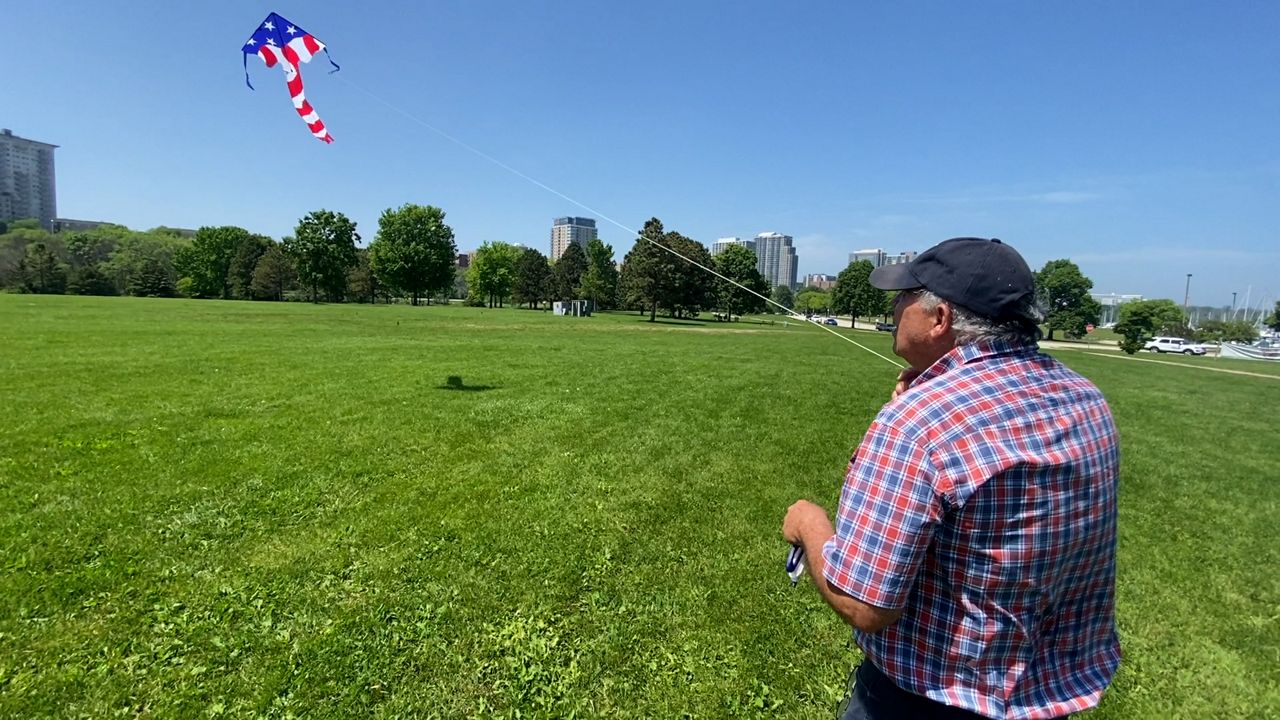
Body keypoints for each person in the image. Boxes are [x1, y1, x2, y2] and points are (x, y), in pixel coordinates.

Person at [782, 238, 1120, 720]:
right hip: (1046, 696)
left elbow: (866, 605)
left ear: (939, 318)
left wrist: (809, 524)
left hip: (927, 702)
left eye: (903, 299)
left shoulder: (920, 424)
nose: (895, 309)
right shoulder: (1087, 399)